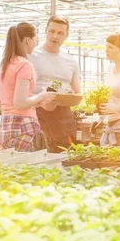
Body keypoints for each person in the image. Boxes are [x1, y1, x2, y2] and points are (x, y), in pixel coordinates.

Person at [0, 22, 56, 152]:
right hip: (24, 125)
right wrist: (41, 96)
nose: (36, 43)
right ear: (27, 40)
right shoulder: (24, 64)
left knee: (9, 168)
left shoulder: (3, 66)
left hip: (6, 125)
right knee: (29, 168)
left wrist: (37, 102)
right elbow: (20, 103)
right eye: (35, 39)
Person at [27, 16, 81, 152]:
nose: (55, 36)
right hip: (36, 115)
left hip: (64, 117)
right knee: (41, 161)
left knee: (66, 157)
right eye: (52, 31)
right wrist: (40, 101)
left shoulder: (71, 61)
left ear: (66, 36)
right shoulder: (31, 56)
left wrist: (70, 98)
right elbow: (19, 93)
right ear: (45, 31)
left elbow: (78, 93)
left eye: (60, 33)